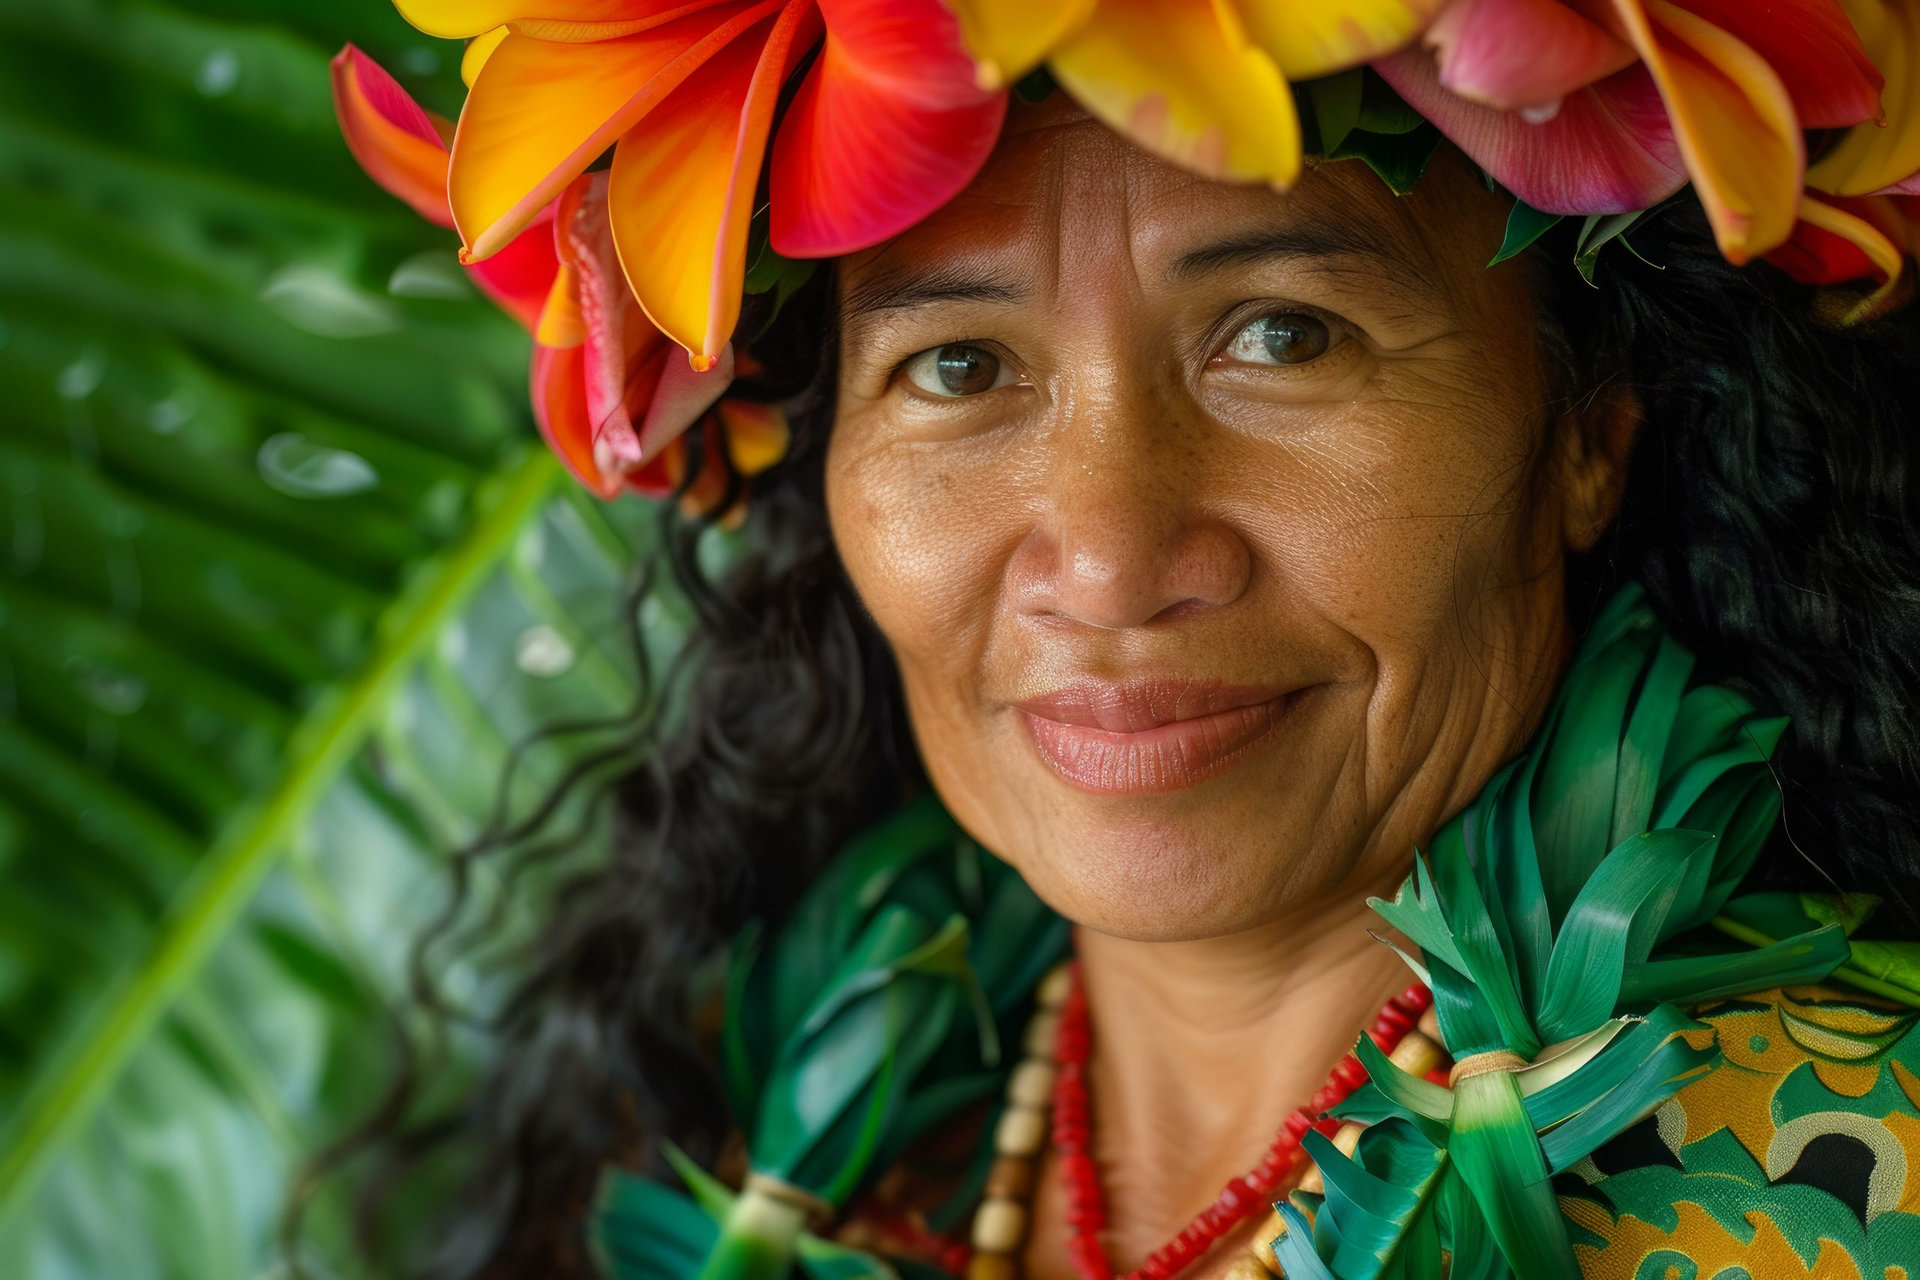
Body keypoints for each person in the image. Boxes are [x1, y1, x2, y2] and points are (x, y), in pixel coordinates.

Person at [327, 3, 1920, 1277]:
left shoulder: (1847, 1182)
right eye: (957, 368)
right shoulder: (742, 1153)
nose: (1107, 559)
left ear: (1589, 428)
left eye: (1284, 338)